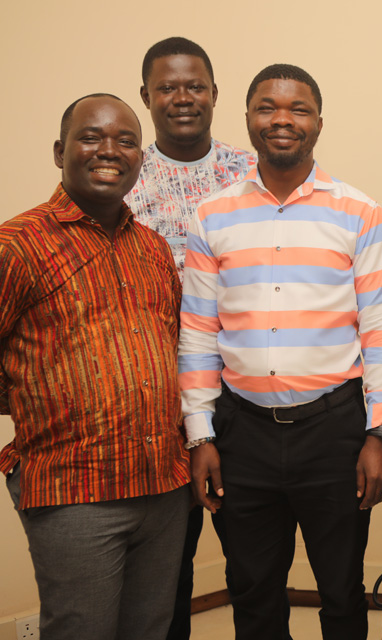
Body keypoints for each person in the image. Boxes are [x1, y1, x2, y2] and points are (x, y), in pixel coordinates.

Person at [178, 63, 382, 640]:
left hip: (334, 431)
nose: (282, 120)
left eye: (298, 109)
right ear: (248, 119)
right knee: (253, 594)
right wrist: (200, 435)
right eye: (267, 107)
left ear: (319, 124)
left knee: (342, 593)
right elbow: (198, 332)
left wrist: (378, 434)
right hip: (240, 433)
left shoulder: (360, 213)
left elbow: (381, 331)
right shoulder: (211, 216)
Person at [0, 94, 190, 640]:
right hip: (72, 493)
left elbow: (170, 347)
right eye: (91, 137)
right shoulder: (19, 245)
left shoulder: (153, 249)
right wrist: (30, 401)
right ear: (60, 151)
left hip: (162, 487)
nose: (109, 151)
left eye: (126, 140)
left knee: (151, 630)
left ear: (141, 157)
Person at [125, 36, 259, 640]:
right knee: (164, 572)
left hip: (240, 397)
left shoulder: (252, 171)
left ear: (213, 93)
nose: (183, 97)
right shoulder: (122, 178)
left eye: (195, 85)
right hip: (154, 401)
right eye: (168, 87)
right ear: (147, 97)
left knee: (251, 559)